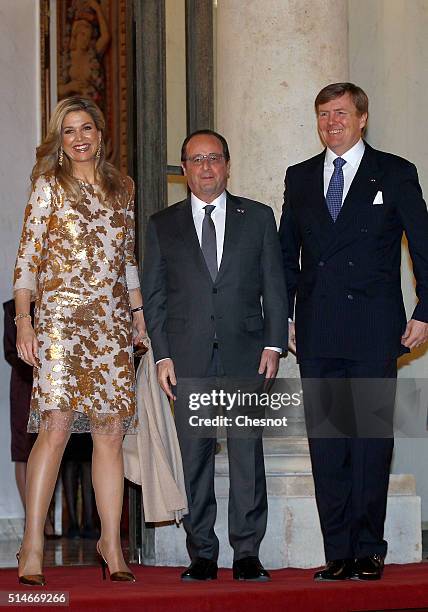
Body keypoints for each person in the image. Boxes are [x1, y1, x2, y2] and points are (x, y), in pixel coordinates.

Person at [279, 82, 428, 581]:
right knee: (328, 444)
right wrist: (283, 317)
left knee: (369, 443)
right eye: (323, 114)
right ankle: (339, 550)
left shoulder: (395, 171)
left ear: (363, 118)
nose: (331, 123)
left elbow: (423, 247)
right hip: (317, 331)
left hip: (371, 328)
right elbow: (285, 257)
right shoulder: (298, 178)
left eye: (341, 113)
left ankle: (368, 548)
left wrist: (426, 310)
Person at [142, 129, 288, 581]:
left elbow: (274, 286)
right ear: (183, 170)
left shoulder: (259, 217)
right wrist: (163, 356)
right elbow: (155, 297)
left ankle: (247, 553)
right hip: (187, 359)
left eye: (214, 158)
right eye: (196, 159)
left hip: (247, 354)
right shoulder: (162, 225)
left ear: (227, 163)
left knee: (247, 456)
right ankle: (202, 553)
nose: (206, 167)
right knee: (196, 457)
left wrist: (273, 343)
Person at [14, 96, 145, 585]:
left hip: (111, 324)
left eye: (86, 127)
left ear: (99, 132)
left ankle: (111, 543)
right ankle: (33, 544)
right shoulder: (48, 187)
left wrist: (137, 315)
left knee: (111, 433)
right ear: (60, 140)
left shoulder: (122, 188)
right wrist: (24, 324)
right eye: (69, 130)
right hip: (60, 325)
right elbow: (26, 261)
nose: (79, 137)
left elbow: (128, 258)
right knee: (57, 427)